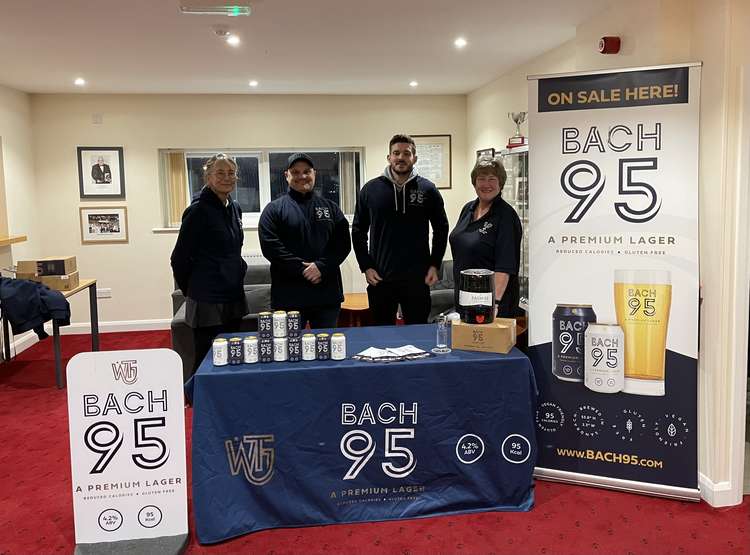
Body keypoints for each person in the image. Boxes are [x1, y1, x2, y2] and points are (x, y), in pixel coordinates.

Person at [352, 134, 449, 325]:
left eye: (407, 153)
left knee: (419, 335)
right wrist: (366, 266)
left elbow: (441, 228)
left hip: (417, 279)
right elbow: (358, 231)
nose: (401, 157)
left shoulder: (428, 190)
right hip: (380, 277)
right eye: (396, 153)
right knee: (381, 336)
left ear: (414, 158)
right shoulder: (370, 190)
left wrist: (434, 264)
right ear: (389, 157)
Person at [170, 153, 248, 375]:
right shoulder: (197, 211)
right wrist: (193, 290)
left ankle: (227, 396)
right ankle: (198, 399)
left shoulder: (234, 208)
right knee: (207, 355)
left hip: (233, 294)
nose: (227, 177)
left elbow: (235, 249)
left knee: (232, 352)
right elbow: (179, 258)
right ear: (208, 177)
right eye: (220, 173)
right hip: (206, 298)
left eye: (231, 173)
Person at [259, 153, 351, 328]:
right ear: (287, 175)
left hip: (326, 296)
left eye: (306, 171)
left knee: (327, 350)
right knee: (289, 351)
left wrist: (321, 267)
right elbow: (271, 247)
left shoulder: (331, 208)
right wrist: (304, 269)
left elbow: (343, 244)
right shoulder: (273, 210)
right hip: (288, 298)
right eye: (295, 172)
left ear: (314, 173)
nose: (302, 176)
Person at [449, 156, 522, 318]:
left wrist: (493, 305)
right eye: (481, 179)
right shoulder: (468, 209)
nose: (486, 184)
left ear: (500, 183)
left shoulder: (506, 217)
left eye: (492, 179)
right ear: (474, 182)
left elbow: (505, 266)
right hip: (465, 298)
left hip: (491, 307)